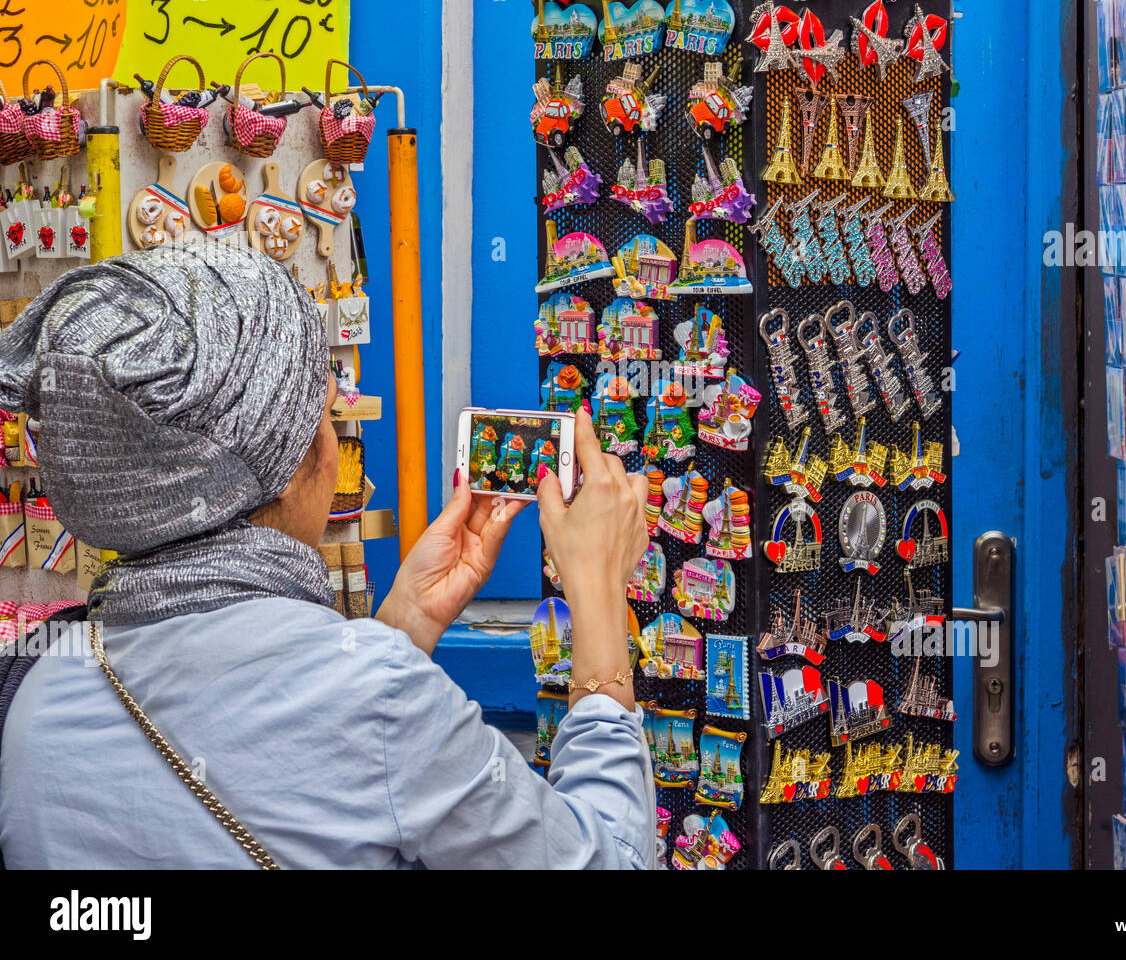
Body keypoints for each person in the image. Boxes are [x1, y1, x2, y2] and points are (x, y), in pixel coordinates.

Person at [0, 242, 654, 870]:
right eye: (323, 409)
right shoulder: (378, 697)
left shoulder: (32, 690)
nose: (335, 431)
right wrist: (597, 599)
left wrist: (399, 630)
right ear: (284, 468)